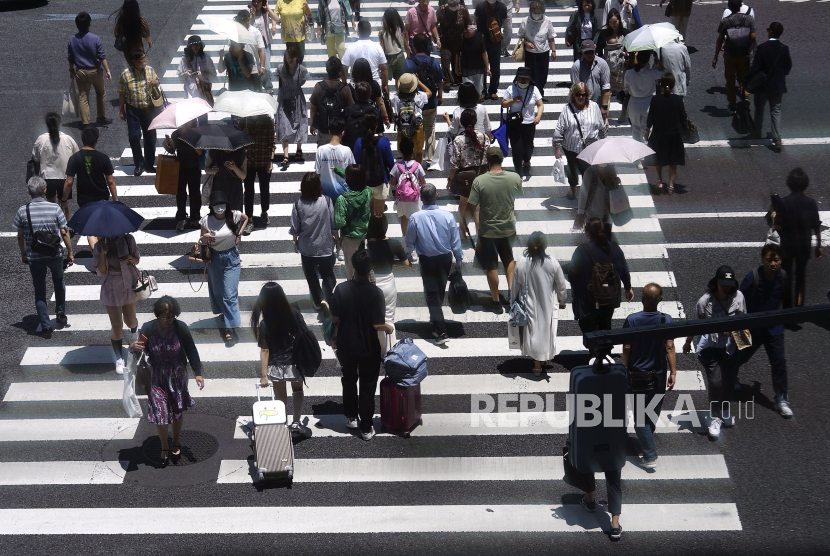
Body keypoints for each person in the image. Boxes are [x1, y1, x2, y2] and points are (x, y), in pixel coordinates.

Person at [130, 296, 204, 467]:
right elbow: (139, 349)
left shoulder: (180, 328)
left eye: (171, 317)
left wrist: (198, 373)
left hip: (177, 375)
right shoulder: (148, 328)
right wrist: (132, 347)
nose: (168, 320)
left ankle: (176, 442)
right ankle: (164, 445)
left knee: (177, 411)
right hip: (156, 376)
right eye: (165, 317)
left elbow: (191, 350)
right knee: (160, 413)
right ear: (158, 315)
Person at [330, 250, 394, 440]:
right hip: (368, 347)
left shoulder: (341, 290)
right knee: (367, 384)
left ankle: (351, 416)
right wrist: (388, 327)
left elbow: (334, 317)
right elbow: (377, 324)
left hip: (346, 345)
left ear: (354, 267)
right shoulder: (376, 293)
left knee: (349, 379)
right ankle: (366, 427)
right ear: (371, 269)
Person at [683, 266, 746, 440]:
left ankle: (724, 409)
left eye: (729, 284)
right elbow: (696, 323)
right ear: (715, 282)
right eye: (722, 283)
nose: (726, 287)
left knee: (728, 381)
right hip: (709, 349)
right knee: (716, 383)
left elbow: (744, 320)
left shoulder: (738, 297)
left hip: (730, 348)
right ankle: (714, 417)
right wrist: (689, 341)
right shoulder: (704, 302)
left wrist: (732, 330)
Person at [622, 283, 677, 468]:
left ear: (642, 299)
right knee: (652, 411)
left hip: (638, 375)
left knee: (640, 419)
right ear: (661, 299)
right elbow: (669, 347)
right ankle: (647, 438)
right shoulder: (666, 320)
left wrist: (625, 367)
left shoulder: (632, 320)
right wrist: (674, 372)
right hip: (659, 374)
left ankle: (649, 455)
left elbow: (627, 347)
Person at [736, 244, 793, 418]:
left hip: (774, 328)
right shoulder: (752, 278)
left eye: (776, 260)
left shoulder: (783, 277)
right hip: (749, 326)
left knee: (779, 362)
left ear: (781, 261)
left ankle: (781, 397)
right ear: (762, 260)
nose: (773, 264)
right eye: (769, 260)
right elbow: (738, 301)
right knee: (737, 355)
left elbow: (786, 300)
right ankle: (729, 379)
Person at [404, 183, 464, 344]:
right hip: (445, 258)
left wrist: (408, 254)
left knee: (432, 295)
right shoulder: (447, 216)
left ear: (421, 198)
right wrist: (458, 259)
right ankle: (436, 319)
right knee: (438, 291)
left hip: (427, 260)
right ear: (436, 196)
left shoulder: (415, 217)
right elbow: (455, 240)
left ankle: (441, 331)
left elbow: (410, 239)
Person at [15, 178, 74, 339]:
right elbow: (64, 232)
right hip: (54, 253)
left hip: (34, 255)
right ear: (45, 190)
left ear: (29, 191)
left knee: (40, 290)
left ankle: (46, 326)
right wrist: (70, 252)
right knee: (58, 280)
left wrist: (23, 254)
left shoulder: (22, 211)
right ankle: (60, 312)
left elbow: (20, 236)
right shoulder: (55, 208)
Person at [467, 146, 523, 313]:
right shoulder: (514, 178)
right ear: (502, 160)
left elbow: (472, 206)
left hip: (487, 231)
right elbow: (517, 196)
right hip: (508, 228)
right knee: (508, 259)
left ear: (487, 161)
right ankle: (513, 297)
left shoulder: (479, 181)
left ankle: (496, 301)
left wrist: (466, 223)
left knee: (491, 266)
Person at [253, 282, 312, 437]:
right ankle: (297, 422)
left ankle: (283, 424)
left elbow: (265, 350)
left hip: (276, 365)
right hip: (295, 362)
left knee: (281, 398)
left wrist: (263, 375)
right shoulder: (294, 313)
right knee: (298, 390)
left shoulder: (265, 323)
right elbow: (304, 333)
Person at [510, 232, 567, 375]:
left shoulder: (522, 262)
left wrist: (512, 302)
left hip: (527, 303)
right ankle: (539, 361)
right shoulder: (552, 262)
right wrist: (562, 300)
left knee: (532, 331)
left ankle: (536, 363)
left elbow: (515, 286)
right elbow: (561, 285)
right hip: (547, 303)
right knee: (544, 330)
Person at [568, 217, 633, 336]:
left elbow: (572, 271)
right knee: (606, 322)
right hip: (610, 295)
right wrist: (628, 288)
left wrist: (574, 288)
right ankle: (605, 349)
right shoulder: (614, 248)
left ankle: (594, 348)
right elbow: (623, 268)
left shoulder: (582, 250)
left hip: (589, 297)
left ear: (587, 233)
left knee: (588, 324)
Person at [199, 192, 247, 342]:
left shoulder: (234, 215)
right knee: (219, 292)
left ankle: (230, 327)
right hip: (214, 259)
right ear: (212, 206)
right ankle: (226, 316)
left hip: (231, 258)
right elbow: (201, 241)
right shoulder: (206, 221)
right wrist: (204, 238)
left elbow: (246, 219)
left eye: (222, 204)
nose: (220, 208)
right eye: (216, 205)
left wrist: (239, 234)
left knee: (229, 294)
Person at [773, 168, 822, 311]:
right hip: (804, 245)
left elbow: (779, 226)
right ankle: (800, 307)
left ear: (789, 184)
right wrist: (819, 246)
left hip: (787, 246)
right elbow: (816, 226)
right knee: (801, 277)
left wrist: (774, 213)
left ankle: (788, 308)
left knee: (786, 277)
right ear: (806, 184)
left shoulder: (784, 202)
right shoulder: (811, 203)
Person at [62, 127, 118, 251]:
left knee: (90, 228)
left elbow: (69, 182)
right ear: (96, 141)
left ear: (82, 140)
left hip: (84, 199)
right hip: (101, 197)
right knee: (101, 227)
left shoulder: (74, 158)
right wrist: (116, 200)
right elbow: (110, 181)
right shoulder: (103, 158)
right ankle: (104, 253)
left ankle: (97, 256)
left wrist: (64, 199)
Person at [93, 233, 140, 375]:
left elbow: (137, 260)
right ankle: (119, 357)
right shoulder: (100, 245)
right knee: (117, 324)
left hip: (128, 283)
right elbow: (101, 270)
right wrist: (102, 254)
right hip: (110, 285)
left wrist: (130, 258)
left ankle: (134, 332)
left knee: (131, 320)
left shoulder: (128, 239)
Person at [291, 173, 339, 311]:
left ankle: (319, 302)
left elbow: (295, 227)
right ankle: (326, 297)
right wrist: (337, 239)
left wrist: (295, 241)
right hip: (325, 246)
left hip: (307, 248)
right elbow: (333, 223)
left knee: (312, 278)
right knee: (329, 277)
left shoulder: (298, 204)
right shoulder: (327, 201)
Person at [553, 82, 607, 200]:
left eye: (583, 94)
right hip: (571, 147)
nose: (581, 97)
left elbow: (601, 127)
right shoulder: (567, 109)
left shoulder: (594, 107)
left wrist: (604, 143)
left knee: (587, 172)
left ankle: (588, 195)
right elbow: (559, 129)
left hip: (589, 148)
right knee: (572, 170)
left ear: (587, 94)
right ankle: (572, 191)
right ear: (573, 95)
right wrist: (557, 147)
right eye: (578, 95)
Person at [367, 214, 410, 354]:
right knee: (389, 317)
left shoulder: (369, 244)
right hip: (388, 282)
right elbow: (405, 263)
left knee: (374, 318)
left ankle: (377, 348)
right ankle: (389, 351)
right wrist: (392, 262)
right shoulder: (395, 243)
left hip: (373, 283)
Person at [745, 22, 791, 152]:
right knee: (775, 111)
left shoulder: (763, 48)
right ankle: (776, 138)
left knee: (759, 109)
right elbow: (787, 67)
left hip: (763, 86)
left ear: (770, 31)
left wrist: (746, 79)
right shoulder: (784, 48)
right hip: (778, 86)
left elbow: (756, 66)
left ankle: (756, 132)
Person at [401, 34, 443, 168]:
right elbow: (440, 81)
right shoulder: (434, 62)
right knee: (430, 129)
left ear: (413, 46)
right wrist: (440, 96)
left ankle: (413, 154)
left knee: (412, 130)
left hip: (414, 104)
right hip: (430, 102)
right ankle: (429, 159)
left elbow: (403, 82)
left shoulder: (408, 63)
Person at [448, 109, 490, 241]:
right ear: (476, 121)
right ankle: (479, 235)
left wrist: (450, 180)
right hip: (481, 174)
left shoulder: (458, 140)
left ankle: (462, 233)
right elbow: (488, 158)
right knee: (478, 207)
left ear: (462, 122)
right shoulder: (484, 137)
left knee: (463, 203)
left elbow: (455, 163)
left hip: (464, 177)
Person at [118, 49, 159, 176]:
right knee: (133, 137)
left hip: (149, 109)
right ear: (134, 61)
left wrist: (155, 83)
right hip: (133, 109)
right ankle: (139, 164)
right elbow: (122, 93)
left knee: (150, 138)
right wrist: (121, 110)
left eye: (144, 58)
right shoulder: (125, 74)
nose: (144, 61)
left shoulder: (150, 70)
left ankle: (149, 164)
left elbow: (157, 82)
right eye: (141, 59)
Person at [68, 12, 112, 126]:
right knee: (101, 92)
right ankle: (101, 116)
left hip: (80, 72)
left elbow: (70, 57)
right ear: (89, 24)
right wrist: (107, 70)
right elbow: (101, 56)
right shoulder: (95, 38)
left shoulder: (72, 39)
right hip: (95, 71)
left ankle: (86, 123)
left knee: (83, 97)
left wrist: (71, 70)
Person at [646, 73, 686, 194]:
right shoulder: (678, 100)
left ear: (661, 85)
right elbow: (683, 118)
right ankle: (671, 184)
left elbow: (650, 117)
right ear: (674, 85)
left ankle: (659, 180)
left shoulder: (655, 99)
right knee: (672, 160)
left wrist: (647, 132)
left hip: (658, 134)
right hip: (673, 135)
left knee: (658, 159)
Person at [713, 0, 756, 114]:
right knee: (744, 77)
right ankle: (746, 96)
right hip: (744, 54)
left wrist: (716, 56)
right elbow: (753, 36)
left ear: (729, 8)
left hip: (730, 54)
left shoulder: (726, 21)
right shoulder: (749, 19)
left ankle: (732, 104)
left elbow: (720, 40)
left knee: (730, 80)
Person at [32, 112, 79, 212]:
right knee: (64, 204)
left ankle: (52, 225)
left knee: (50, 205)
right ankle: (64, 226)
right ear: (59, 123)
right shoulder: (68, 139)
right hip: (65, 177)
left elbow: (35, 158)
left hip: (47, 177)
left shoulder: (41, 139)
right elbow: (76, 156)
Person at [163, 118, 204, 232]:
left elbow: (200, 152)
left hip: (194, 167)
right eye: (183, 122)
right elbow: (172, 151)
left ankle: (195, 217)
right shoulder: (176, 134)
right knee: (180, 193)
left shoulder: (197, 134)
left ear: (192, 122)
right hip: (180, 167)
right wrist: (167, 144)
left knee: (194, 193)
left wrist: (190, 139)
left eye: (187, 122)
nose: (185, 124)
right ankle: (181, 217)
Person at [502, 68, 543, 180]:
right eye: (522, 79)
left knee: (528, 147)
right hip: (514, 124)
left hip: (529, 124)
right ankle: (519, 173)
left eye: (526, 80)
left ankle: (527, 161)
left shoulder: (534, 90)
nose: (524, 82)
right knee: (516, 149)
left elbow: (540, 105)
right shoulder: (511, 89)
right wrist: (513, 100)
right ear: (517, 79)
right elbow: (504, 104)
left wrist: (538, 116)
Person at [335, 164, 372, 280]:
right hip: (364, 234)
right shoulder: (367, 191)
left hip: (350, 237)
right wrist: (337, 170)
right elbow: (356, 177)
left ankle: (353, 293)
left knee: (351, 269)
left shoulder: (343, 199)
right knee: (365, 266)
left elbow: (340, 222)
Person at [354, 112, 395, 216]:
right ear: (376, 125)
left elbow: (356, 162)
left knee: (367, 214)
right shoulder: (384, 141)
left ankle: (369, 232)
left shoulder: (359, 141)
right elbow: (390, 163)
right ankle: (378, 231)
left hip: (364, 183)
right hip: (381, 181)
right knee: (378, 214)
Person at [240, 115, 276, 233]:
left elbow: (272, 142)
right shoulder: (243, 121)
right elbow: (237, 141)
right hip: (248, 161)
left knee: (264, 188)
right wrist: (243, 134)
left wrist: (271, 161)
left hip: (263, 160)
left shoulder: (267, 122)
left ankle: (264, 211)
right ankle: (249, 219)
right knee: (248, 191)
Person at [310, 57, 355, 146]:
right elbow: (351, 108)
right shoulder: (344, 88)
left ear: (327, 70)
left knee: (323, 154)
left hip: (323, 128)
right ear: (339, 71)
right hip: (339, 130)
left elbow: (313, 108)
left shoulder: (319, 86)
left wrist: (312, 124)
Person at [276, 47, 309, 167]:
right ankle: (286, 154)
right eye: (288, 56)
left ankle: (299, 149)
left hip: (297, 98)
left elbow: (303, 81)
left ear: (297, 57)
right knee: (283, 124)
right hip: (284, 99)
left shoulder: (302, 70)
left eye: (293, 57)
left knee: (300, 123)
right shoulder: (280, 68)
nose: (290, 59)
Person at [595, 9, 629, 125]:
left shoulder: (625, 32)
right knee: (607, 92)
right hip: (608, 66)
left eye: (615, 21)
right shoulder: (604, 33)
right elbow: (598, 49)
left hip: (622, 67)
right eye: (611, 22)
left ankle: (623, 114)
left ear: (619, 20)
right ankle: (605, 117)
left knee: (625, 92)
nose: (613, 24)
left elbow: (630, 48)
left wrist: (626, 55)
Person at [389, 137, 426, 241]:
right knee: (415, 218)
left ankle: (406, 239)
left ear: (400, 151)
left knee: (404, 218)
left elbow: (392, 183)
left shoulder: (397, 166)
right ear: (413, 150)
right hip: (414, 197)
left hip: (402, 198)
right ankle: (414, 240)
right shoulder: (417, 165)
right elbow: (423, 182)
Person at [624, 50, 664, 143]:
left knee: (635, 128)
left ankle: (637, 152)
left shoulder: (629, 73)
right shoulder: (652, 73)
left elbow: (626, 87)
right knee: (646, 130)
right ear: (648, 60)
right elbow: (665, 72)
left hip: (634, 102)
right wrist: (657, 59)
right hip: (648, 102)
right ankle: (646, 152)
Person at [392, 72, 432, 165]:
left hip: (402, 127)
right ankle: (417, 172)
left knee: (405, 151)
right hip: (417, 126)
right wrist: (418, 81)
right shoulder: (419, 96)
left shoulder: (396, 98)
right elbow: (429, 92)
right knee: (418, 152)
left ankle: (405, 169)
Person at [519, 2, 556, 98]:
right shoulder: (525, 21)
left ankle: (540, 92)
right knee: (530, 74)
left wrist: (553, 51)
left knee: (543, 74)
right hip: (530, 52)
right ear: (530, 11)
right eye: (534, 12)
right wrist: (527, 43)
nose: (536, 14)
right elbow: (521, 36)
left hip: (543, 52)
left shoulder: (547, 21)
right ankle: (531, 93)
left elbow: (551, 37)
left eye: (538, 12)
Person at [341, 20, 389, 95]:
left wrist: (344, 84)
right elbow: (383, 68)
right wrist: (385, 85)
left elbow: (344, 67)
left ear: (358, 32)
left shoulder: (351, 48)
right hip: (374, 85)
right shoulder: (377, 47)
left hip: (355, 87)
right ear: (370, 32)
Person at [315, 117, 354, 206]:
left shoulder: (321, 150)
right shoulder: (346, 150)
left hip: (325, 195)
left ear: (329, 132)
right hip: (343, 195)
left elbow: (318, 173)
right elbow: (352, 173)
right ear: (343, 132)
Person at [570, 40, 611, 123]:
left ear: (595, 51)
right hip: (583, 102)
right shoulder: (576, 66)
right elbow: (576, 89)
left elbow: (606, 87)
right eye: (586, 53)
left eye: (591, 52)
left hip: (598, 103)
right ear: (582, 52)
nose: (589, 55)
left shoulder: (602, 64)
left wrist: (604, 106)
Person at [474, 0, 508, 100]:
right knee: (482, 65)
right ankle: (483, 90)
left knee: (495, 65)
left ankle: (493, 90)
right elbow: (477, 20)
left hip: (495, 39)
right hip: (482, 38)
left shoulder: (502, 7)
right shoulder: (480, 6)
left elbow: (502, 21)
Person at [574, 164, 620, 236]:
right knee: (594, 239)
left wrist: (616, 183)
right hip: (593, 213)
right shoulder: (589, 172)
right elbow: (583, 193)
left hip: (608, 213)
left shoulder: (611, 171)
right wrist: (580, 212)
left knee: (606, 237)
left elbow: (614, 191)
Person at [437, 0, 471, 89]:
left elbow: (469, 24)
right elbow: (434, 24)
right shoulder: (442, 9)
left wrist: (470, 37)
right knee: (445, 60)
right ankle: (447, 80)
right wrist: (437, 38)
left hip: (459, 40)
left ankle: (457, 78)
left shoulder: (463, 9)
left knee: (456, 60)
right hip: (445, 40)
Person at [352, 58, 391, 130]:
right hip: (373, 113)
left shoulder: (352, 86)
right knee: (379, 133)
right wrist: (386, 118)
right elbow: (380, 102)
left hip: (357, 116)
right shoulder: (374, 84)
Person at [205, 145, 247, 213]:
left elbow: (243, 176)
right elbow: (206, 168)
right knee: (218, 212)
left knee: (234, 213)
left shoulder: (240, 151)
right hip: (219, 185)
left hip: (234, 186)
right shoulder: (214, 150)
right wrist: (213, 171)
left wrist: (234, 168)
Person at [178, 35, 216, 107]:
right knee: (191, 116)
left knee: (203, 116)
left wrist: (202, 74)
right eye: (194, 45)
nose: (197, 47)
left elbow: (213, 75)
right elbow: (179, 76)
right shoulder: (184, 59)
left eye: (198, 45)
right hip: (190, 94)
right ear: (190, 47)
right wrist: (186, 74)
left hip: (203, 93)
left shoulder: (206, 58)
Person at [234, 10, 266, 90]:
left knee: (256, 94)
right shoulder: (235, 32)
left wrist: (262, 66)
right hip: (239, 70)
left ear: (247, 20)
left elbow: (261, 50)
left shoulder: (255, 32)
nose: (239, 22)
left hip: (254, 69)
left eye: (241, 20)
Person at [250, 0, 278, 90]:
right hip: (254, 43)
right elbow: (248, 25)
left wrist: (268, 9)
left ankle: (268, 87)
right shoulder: (249, 11)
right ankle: (258, 86)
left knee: (266, 67)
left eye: (259, 2)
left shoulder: (265, 12)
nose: (256, 4)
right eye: (255, 2)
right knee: (256, 66)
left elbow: (276, 18)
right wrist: (252, 15)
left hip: (265, 42)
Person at [459, 23, 491, 99]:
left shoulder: (480, 36)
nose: (472, 27)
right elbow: (458, 53)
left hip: (478, 66)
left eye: (474, 24)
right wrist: (457, 67)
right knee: (467, 88)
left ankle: (475, 103)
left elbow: (484, 53)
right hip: (466, 66)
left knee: (478, 89)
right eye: (470, 24)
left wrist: (487, 68)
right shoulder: (462, 36)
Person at [379, 8, 410, 82]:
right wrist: (408, 56)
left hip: (388, 58)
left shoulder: (382, 33)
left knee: (385, 81)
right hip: (399, 56)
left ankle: (386, 93)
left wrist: (380, 63)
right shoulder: (402, 30)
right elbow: (406, 46)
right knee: (399, 80)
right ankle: (399, 92)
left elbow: (382, 49)